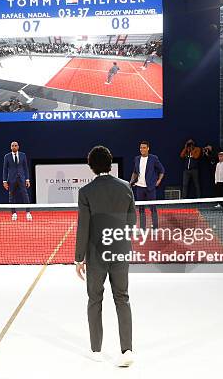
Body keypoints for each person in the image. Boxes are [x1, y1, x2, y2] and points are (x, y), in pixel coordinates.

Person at [75, 145, 135, 367]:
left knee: (94, 299)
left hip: (95, 254)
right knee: (122, 298)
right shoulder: (126, 187)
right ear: (110, 164)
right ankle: (127, 350)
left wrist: (78, 258)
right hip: (120, 250)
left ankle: (96, 350)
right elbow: (131, 223)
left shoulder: (86, 192)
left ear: (91, 166)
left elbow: (84, 227)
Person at [129, 141, 165, 229]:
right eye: (141, 148)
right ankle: (142, 228)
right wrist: (131, 182)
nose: (142, 149)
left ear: (148, 148)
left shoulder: (153, 158)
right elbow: (135, 172)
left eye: (144, 148)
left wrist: (159, 180)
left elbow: (162, 170)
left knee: (153, 208)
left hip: (150, 188)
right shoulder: (137, 159)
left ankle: (155, 227)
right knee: (141, 209)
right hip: (139, 188)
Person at [2, 141, 31, 221]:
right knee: (11, 196)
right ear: (11, 147)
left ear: (18, 147)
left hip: (21, 178)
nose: (14, 147)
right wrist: (4, 181)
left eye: (15, 145)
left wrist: (27, 179)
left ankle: (28, 213)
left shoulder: (23, 155)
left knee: (25, 195)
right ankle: (14, 213)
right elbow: (5, 169)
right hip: (11, 179)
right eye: (12, 146)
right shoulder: (7, 156)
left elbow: (25, 168)